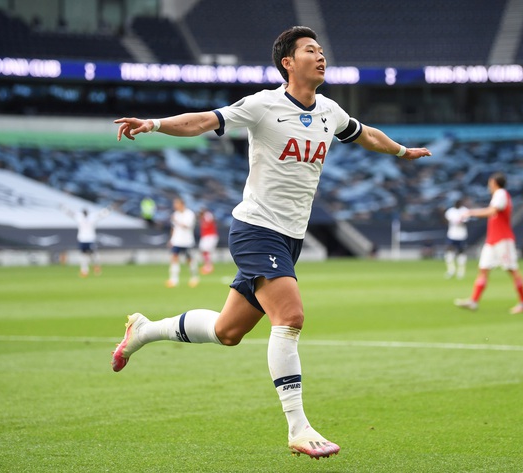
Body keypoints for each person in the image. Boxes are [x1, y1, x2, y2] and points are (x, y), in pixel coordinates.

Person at [111, 26, 431, 459]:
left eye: (321, 51)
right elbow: (205, 121)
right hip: (255, 229)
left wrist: (400, 151)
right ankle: (298, 427)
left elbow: (366, 133)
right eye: (311, 51)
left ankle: (145, 331)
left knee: (228, 332)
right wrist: (153, 123)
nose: (321, 57)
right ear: (288, 62)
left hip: (290, 238)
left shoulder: (330, 111)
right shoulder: (264, 105)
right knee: (292, 316)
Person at [454, 172, 523, 314]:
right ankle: (473, 301)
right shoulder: (498, 195)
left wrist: (471, 212)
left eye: (490, 183)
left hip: (503, 239)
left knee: (512, 270)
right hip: (492, 240)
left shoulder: (501, 193)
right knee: (483, 269)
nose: (489, 185)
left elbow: (492, 211)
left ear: (494, 183)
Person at [61, 204, 113, 277]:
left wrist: (109, 209)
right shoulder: (79, 217)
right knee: (83, 255)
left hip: (90, 239)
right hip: (82, 239)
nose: (85, 213)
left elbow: (102, 214)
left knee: (93, 254)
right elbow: (70, 213)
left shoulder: (92, 217)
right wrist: (64, 208)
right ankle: (84, 270)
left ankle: (97, 266)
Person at [166, 197, 200, 288]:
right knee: (174, 257)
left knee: (189, 259)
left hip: (187, 241)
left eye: (176, 204)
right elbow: (174, 228)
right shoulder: (175, 214)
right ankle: (174, 279)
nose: (174, 206)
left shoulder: (189, 214)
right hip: (177, 240)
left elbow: (187, 226)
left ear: (182, 204)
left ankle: (194, 277)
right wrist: (171, 239)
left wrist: (177, 221)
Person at [443, 199, 469, 279]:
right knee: (449, 251)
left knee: (461, 252)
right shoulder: (450, 211)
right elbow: (445, 220)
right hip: (452, 234)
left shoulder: (465, 211)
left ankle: (461, 271)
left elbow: (467, 221)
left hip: (461, 235)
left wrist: (461, 221)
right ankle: (451, 270)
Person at [198, 207, 220, 274]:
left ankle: (209, 266)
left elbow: (208, 223)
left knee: (207, 250)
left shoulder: (207, 215)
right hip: (205, 236)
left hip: (210, 236)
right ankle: (207, 265)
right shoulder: (202, 218)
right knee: (204, 251)